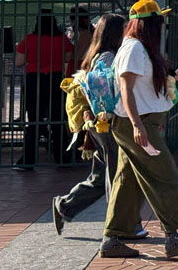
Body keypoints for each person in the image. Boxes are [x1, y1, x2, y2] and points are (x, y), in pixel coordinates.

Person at [99, 0, 178, 259]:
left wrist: (172, 76)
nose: (164, 26)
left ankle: (112, 239)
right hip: (138, 124)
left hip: (140, 123)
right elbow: (126, 89)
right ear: (150, 24)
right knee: (165, 174)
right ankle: (173, 236)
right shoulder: (134, 48)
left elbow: (141, 85)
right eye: (160, 21)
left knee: (128, 181)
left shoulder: (139, 48)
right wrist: (137, 126)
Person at [53, 14, 147, 240]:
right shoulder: (107, 56)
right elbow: (102, 88)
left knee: (102, 174)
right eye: (124, 27)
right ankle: (124, 224)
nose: (128, 31)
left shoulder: (101, 54)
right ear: (115, 32)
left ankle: (66, 206)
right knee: (119, 172)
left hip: (100, 121)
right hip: (106, 121)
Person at [14, 9, 73, 170]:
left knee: (34, 119)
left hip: (35, 78)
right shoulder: (62, 39)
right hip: (56, 79)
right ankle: (63, 158)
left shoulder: (29, 39)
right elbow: (68, 57)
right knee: (57, 119)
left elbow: (19, 62)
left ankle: (28, 160)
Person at [69, 6, 93, 75]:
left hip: (82, 67)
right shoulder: (82, 33)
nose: (70, 23)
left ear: (74, 21)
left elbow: (78, 55)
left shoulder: (85, 34)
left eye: (71, 20)